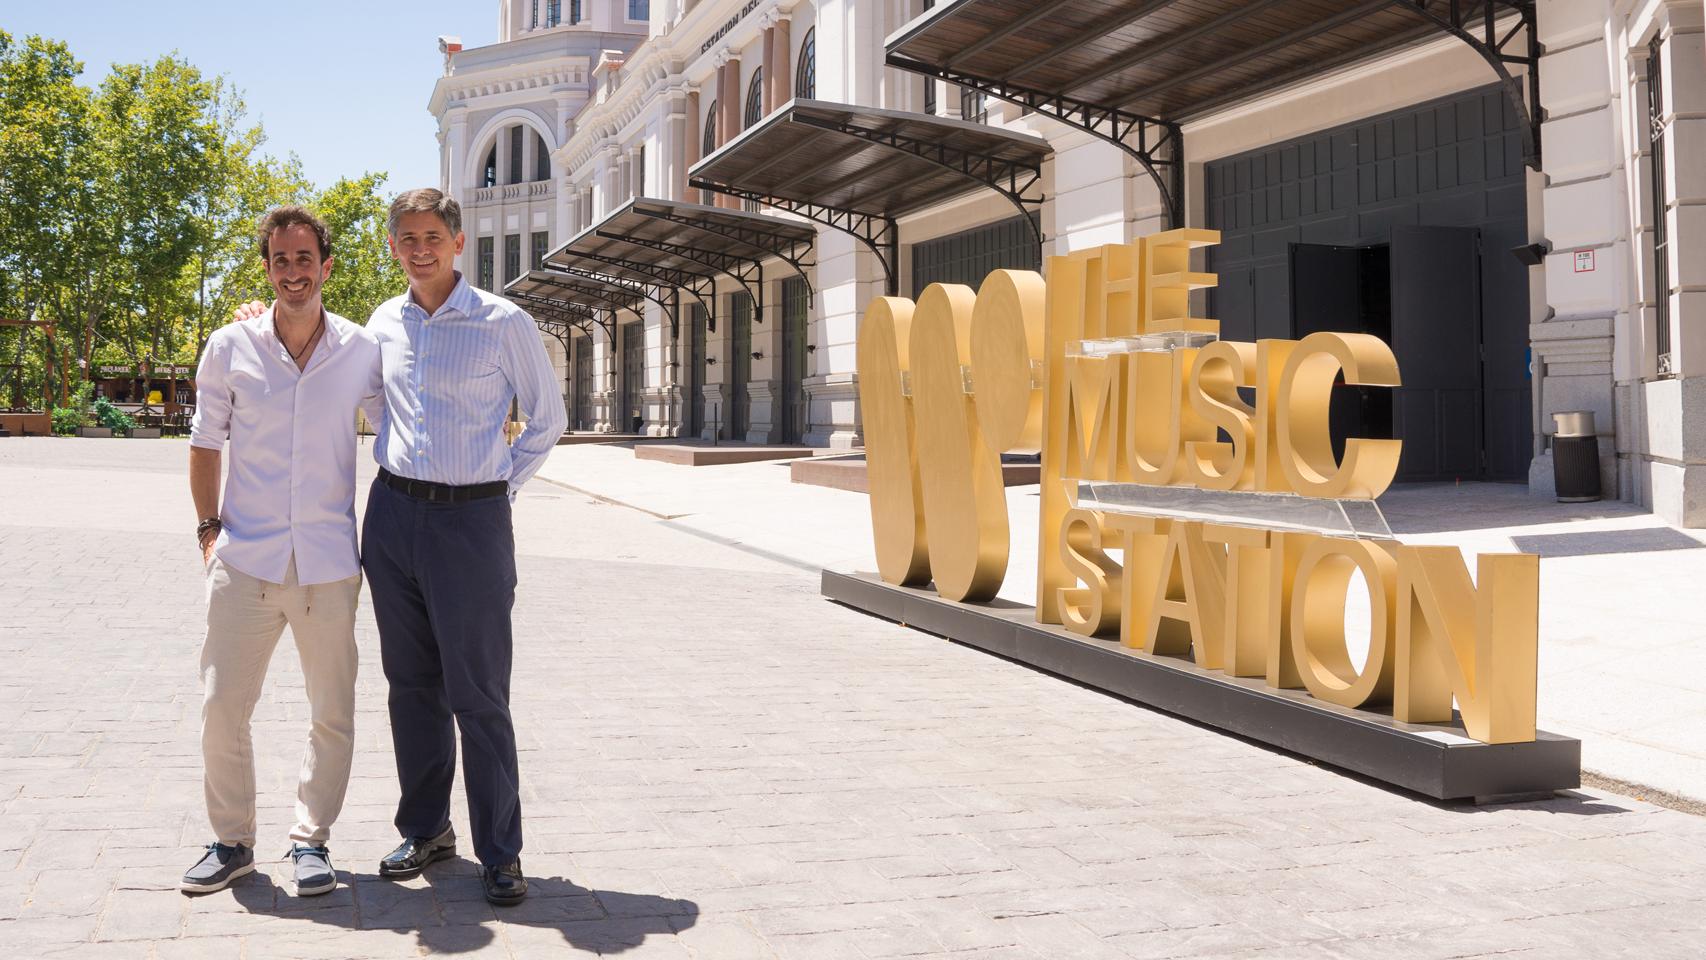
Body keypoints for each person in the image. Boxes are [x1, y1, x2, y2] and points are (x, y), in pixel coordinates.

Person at [240, 188, 567, 903]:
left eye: (432, 236)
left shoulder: (502, 321)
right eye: (406, 238)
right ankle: (426, 828)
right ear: (393, 248)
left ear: (456, 242)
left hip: (472, 524)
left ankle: (501, 852)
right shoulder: (381, 324)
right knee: (411, 687)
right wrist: (252, 322)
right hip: (391, 518)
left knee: (479, 694)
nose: (420, 248)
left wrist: (494, 493)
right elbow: (327, 365)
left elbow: (548, 419)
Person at [183, 206, 383, 897]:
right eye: (281, 261)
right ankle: (233, 840)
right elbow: (206, 442)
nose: (293, 272)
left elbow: (399, 428)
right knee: (220, 708)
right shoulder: (229, 345)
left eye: (305, 260)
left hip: (328, 567)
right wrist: (209, 533)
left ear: (326, 268)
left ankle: (310, 841)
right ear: (267, 269)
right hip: (246, 562)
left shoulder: (362, 351)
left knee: (332, 711)